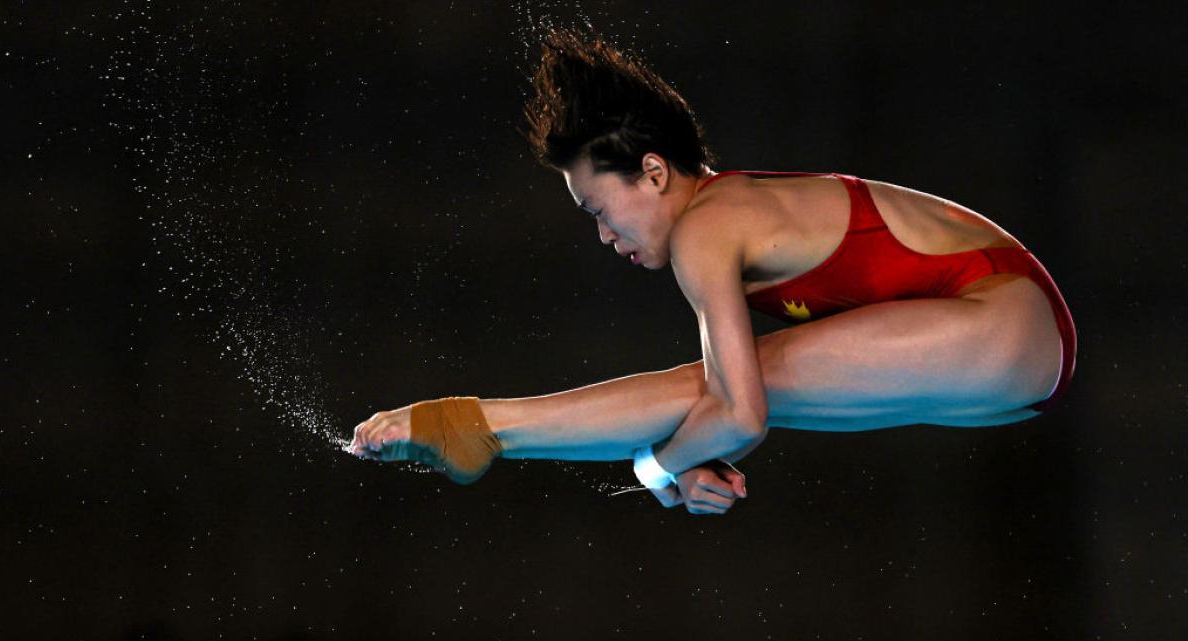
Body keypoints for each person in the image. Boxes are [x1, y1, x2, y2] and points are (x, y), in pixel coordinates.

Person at [347, 28, 1076, 516]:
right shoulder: (724, 214)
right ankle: (480, 428)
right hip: (1014, 364)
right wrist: (689, 454)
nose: (604, 236)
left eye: (601, 209)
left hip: (1004, 319)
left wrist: (658, 472)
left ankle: (478, 425)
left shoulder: (707, 227)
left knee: (720, 386)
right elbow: (739, 411)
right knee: (730, 384)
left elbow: (740, 413)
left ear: (655, 173)